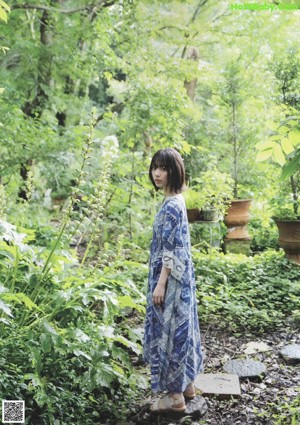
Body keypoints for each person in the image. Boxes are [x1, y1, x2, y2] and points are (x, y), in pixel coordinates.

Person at [143, 147, 203, 413]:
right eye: (155, 166)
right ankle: (187, 386)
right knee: (181, 328)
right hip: (181, 278)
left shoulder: (171, 206)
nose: (157, 173)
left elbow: (170, 248)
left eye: (164, 168)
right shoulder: (177, 200)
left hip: (170, 279)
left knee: (168, 333)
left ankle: (175, 397)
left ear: (174, 171)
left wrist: (161, 283)